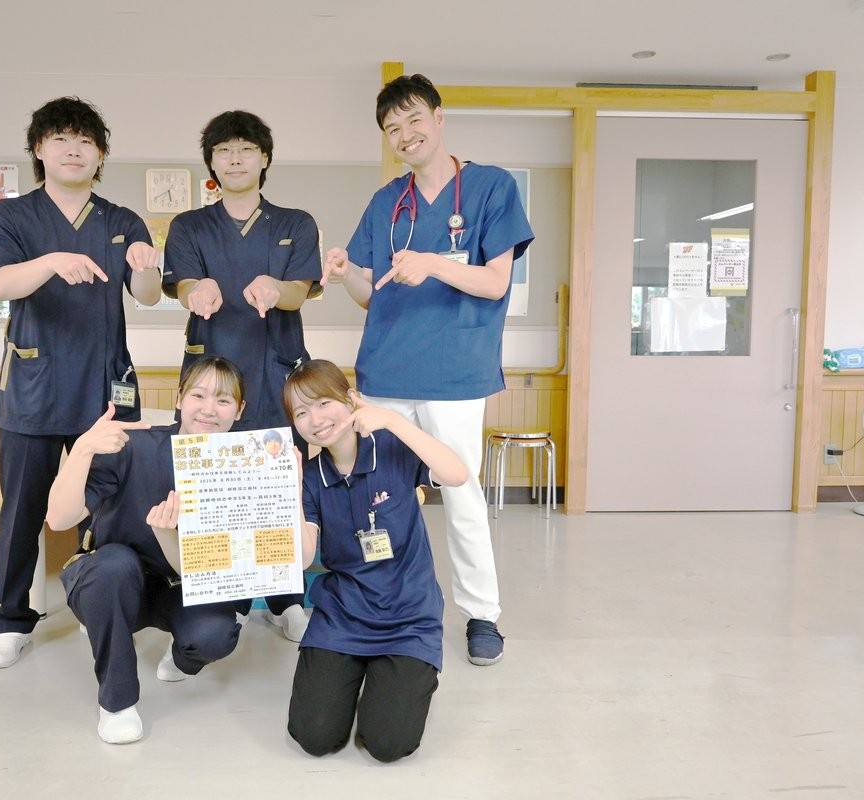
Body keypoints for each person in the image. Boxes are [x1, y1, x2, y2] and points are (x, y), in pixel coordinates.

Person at [323, 74, 534, 667]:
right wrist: (345, 272)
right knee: (379, 496)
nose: (405, 134)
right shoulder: (387, 201)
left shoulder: (491, 188)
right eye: (392, 128)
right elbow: (370, 293)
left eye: (413, 119)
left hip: (454, 374)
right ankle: (382, 604)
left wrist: (434, 264)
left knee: (460, 494)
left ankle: (482, 614)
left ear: (439, 118)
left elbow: (495, 282)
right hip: (385, 373)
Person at [0, 96, 163, 669]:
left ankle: (100, 607)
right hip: (33, 386)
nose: (73, 149)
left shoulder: (121, 220)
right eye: (60, 138)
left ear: (101, 154)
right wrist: (52, 261)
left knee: (108, 504)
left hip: (106, 386)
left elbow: (147, 296)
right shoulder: (11, 217)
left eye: (86, 140)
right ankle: (13, 620)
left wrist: (147, 265)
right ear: (39, 149)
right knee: (22, 509)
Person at [162, 109, 321, 642]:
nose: (235, 159)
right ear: (211, 162)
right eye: (224, 150)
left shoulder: (295, 223)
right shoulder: (189, 226)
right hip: (213, 372)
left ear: (264, 158)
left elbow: (301, 289)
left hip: (275, 368)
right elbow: (183, 284)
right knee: (211, 489)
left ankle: (286, 599)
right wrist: (197, 290)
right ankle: (221, 599)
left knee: (279, 486)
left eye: (246, 149)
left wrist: (277, 289)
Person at [47, 356, 248, 744]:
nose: (209, 409)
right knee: (114, 566)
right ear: (179, 398)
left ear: (239, 410)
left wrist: (165, 535)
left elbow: (208, 573)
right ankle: (117, 704)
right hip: (114, 580)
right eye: (198, 395)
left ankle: (181, 656)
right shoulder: (135, 446)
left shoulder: (243, 467)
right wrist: (83, 448)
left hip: (183, 585)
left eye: (223, 400)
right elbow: (58, 518)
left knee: (216, 634)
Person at [283, 359, 468, 762]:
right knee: (315, 736)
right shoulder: (311, 476)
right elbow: (303, 558)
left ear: (350, 399)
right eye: (301, 412)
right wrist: (291, 490)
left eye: (323, 403)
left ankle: (402, 677)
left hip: (408, 616)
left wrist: (392, 420)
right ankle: (358, 673)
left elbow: (457, 475)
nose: (316, 419)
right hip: (342, 616)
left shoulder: (392, 448)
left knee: (387, 743)